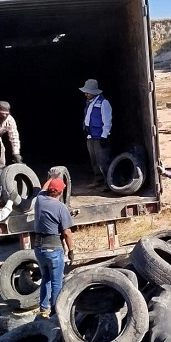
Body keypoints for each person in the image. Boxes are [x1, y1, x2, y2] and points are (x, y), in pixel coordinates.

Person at [33, 177, 75, 318]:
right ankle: (56, 312)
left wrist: (51, 178)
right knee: (57, 281)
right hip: (53, 248)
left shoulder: (40, 200)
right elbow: (67, 232)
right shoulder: (60, 208)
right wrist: (71, 251)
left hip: (38, 248)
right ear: (60, 192)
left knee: (46, 278)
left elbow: (43, 189)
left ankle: (43, 308)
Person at [79, 79, 112, 188]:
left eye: (87, 92)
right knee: (95, 161)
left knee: (104, 161)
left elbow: (107, 121)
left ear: (94, 92)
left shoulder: (104, 103)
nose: (85, 94)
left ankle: (109, 183)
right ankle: (99, 180)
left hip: (99, 137)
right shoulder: (89, 103)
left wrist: (104, 136)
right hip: (91, 136)